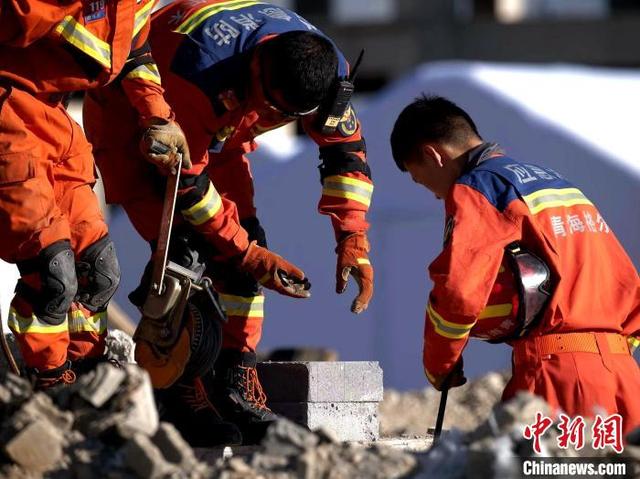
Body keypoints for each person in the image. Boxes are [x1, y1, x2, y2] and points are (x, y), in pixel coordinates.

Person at [83, 0, 374, 443]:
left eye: (284, 117)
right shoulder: (199, 71)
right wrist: (246, 253)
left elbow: (345, 155)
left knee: (243, 250)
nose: (270, 120)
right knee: (190, 254)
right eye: (268, 107)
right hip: (138, 124)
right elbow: (190, 190)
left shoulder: (325, 71)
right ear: (257, 67)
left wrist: (353, 237)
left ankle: (234, 379)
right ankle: (179, 393)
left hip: (220, 138)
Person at [390, 95, 640, 436]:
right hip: (624, 380)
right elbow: (628, 284)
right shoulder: (556, 183)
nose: (434, 195)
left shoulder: (478, 188)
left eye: (422, 180)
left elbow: (458, 293)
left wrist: (440, 363)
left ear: (433, 154)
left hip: (559, 381)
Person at [0, 0, 188, 389]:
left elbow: (133, 46)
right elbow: (16, 19)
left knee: (98, 273)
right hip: (7, 109)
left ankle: (88, 379)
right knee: (53, 275)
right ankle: (51, 383)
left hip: (53, 114)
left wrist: (156, 114)